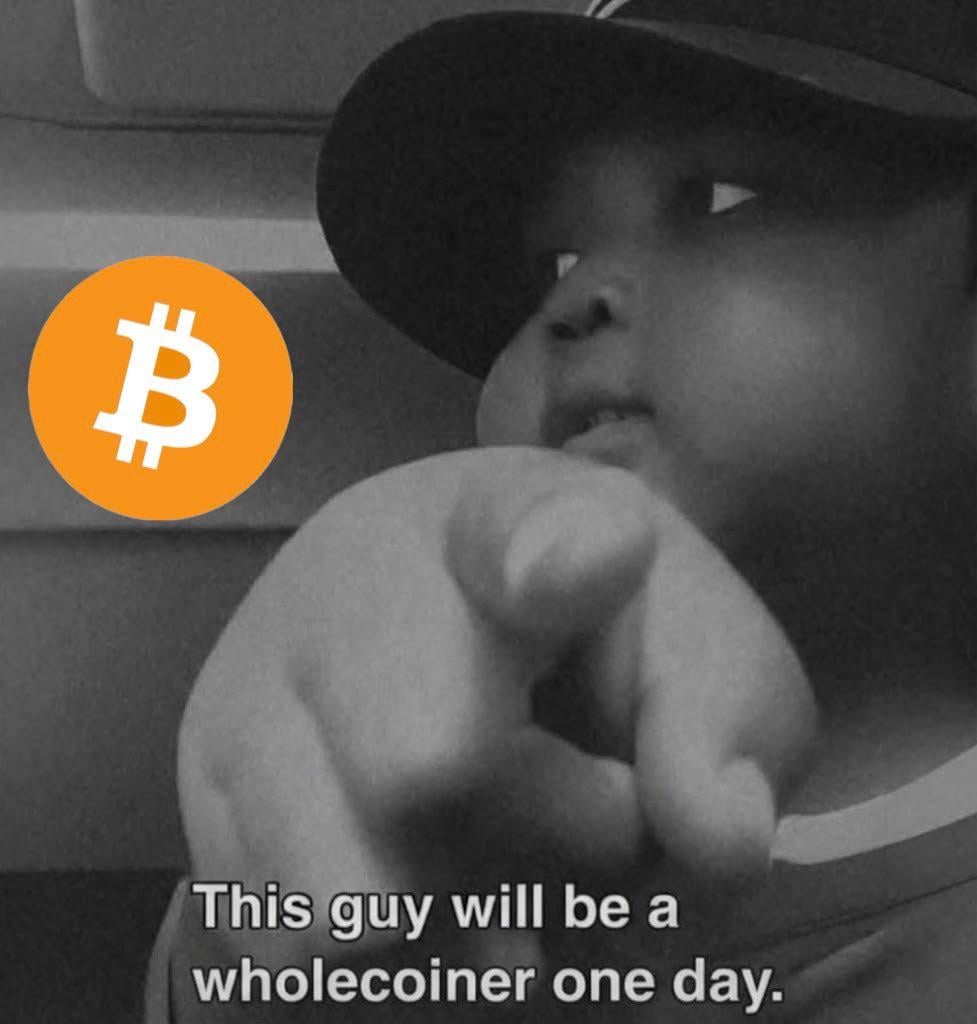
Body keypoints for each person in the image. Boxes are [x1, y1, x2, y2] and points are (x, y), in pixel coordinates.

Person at [147, 1, 976, 1020]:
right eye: (548, 263)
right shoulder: (476, 834)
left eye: (719, 198)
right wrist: (273, 911)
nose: (570, 300)